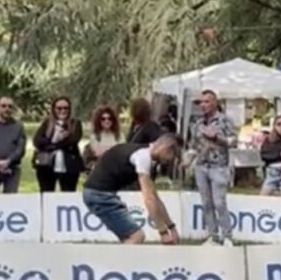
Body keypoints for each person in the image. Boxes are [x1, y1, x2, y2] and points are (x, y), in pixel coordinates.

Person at [82, 134, 180, 244]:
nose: (170, 161)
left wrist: (171, 227)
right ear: (166, 148)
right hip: (98, 195)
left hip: (98, 193)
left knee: (128, 239)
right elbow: (149, 199)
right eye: (173, 155)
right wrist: (163, 233)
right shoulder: (143, 157)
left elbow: (155, 197)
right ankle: (114, 261)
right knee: (136, 236)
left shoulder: (145, 155)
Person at [187, 89, 237, 247]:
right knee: (206, 203)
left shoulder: (225, 121)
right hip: (201, 166)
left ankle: (227, 235)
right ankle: (213, 235)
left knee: (219, 202)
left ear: (215, 103)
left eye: (207, 101)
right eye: (201, 102)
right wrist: (187, 160)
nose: (203, 105)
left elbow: (233, 141)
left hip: (219, 166)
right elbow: (194, 146)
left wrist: (216, 137)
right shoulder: (197, 124)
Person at [33, 96, 84, 192]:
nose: (63, 111)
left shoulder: (75, 124)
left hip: (69, 165)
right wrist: (54, 141)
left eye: (66, 108)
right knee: (46, 193)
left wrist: (52, 144)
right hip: (46, 164)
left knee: (68, 193)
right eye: (59, 108)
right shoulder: (47, 123)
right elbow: (37, 141)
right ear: (54, 109)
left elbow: (73, 140)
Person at [259, 115, 281, 196]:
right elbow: (264, 155)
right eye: (279, 124)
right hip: (273, 170)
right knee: (263, 196)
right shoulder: (269, 139)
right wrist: (279, 154)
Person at [0, 96, 25, 193]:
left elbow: (20, 148)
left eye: (10, 106)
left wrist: (8, 161)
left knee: (10, 200)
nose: (7, 109)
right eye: (3, 106)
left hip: (12, 169)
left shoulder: (18, 126)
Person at [84, 105, 122, 171]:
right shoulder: (95, 136)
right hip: (100, 170)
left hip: (116, 170)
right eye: (103, 119)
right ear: (99, 121)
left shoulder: (119, 136)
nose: (106, 121)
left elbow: (121, 153)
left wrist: (105, 150)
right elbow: (98, 153)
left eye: (109, 118)